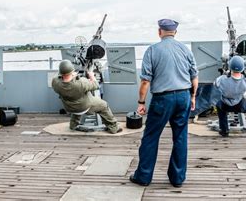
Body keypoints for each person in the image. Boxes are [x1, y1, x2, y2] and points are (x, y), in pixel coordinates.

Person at [130, 19, 198, 188]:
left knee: (151, 137)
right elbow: (194, 78)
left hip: (162, 99)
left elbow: (145, 81)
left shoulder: (152, 51)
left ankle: (143, 177)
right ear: (175, 32)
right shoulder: (185, 50)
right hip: (183, 96)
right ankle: (177, 178)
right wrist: (193, 97)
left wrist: (141, 102)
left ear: (159, 31)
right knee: (180, 137)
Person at [51, 60, 121, 134]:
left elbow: (61, 79)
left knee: (75, 101)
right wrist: (91, 76)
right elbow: (96, 85)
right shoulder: (81, 83)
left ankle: (73, 125)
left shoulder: (55, 83)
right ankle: (114, 127)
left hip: (70, 107)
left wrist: (72, 76)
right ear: (72, 71)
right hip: (84, 107)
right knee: (104, 105)